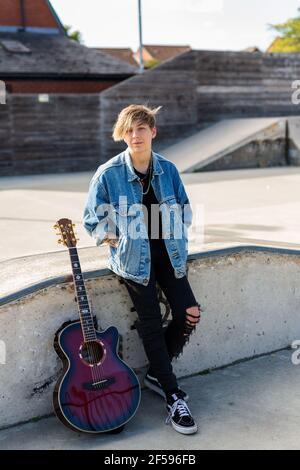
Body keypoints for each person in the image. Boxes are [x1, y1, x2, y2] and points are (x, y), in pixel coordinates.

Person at [83, 104, 201, 435]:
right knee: (150, 323)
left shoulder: (168, 169)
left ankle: (154, 374)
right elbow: (92, 218)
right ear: (122, 135)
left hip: (169, 255)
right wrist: (115, 238)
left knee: (190, 313)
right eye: (129, 130)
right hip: (134, 261)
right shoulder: (108, 174)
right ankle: (172, 393)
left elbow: (184, 208)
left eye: (141, 129)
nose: (135, 136)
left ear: (153, 132)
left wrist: (178, 234)